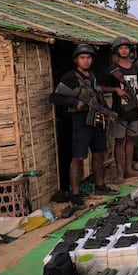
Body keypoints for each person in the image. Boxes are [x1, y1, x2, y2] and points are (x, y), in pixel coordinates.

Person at [51, 44, 118, 208]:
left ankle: (100, 185)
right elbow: (54, 98)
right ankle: (75, 193)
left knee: (98, 154)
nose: (86, 61)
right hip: (81, 122)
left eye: (88, 57)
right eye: (82, 58)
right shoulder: (70, 77)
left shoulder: (93, 77)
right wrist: (75, 102)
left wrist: (109, 113)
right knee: (78, 157)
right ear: (76, 60)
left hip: (96, 120)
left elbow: (99, 98)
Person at [101, 36, 138, 182]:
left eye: (126, 48)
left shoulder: (136, 67)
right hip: (119, 109)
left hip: (134, 108)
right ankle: (120, 172)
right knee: (119, 141)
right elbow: (101, 87)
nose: (124, 50)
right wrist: (115, 89)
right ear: (116, 51)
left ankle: (128, 169)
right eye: (121, 48)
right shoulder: (112, 69)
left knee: (131, 139)